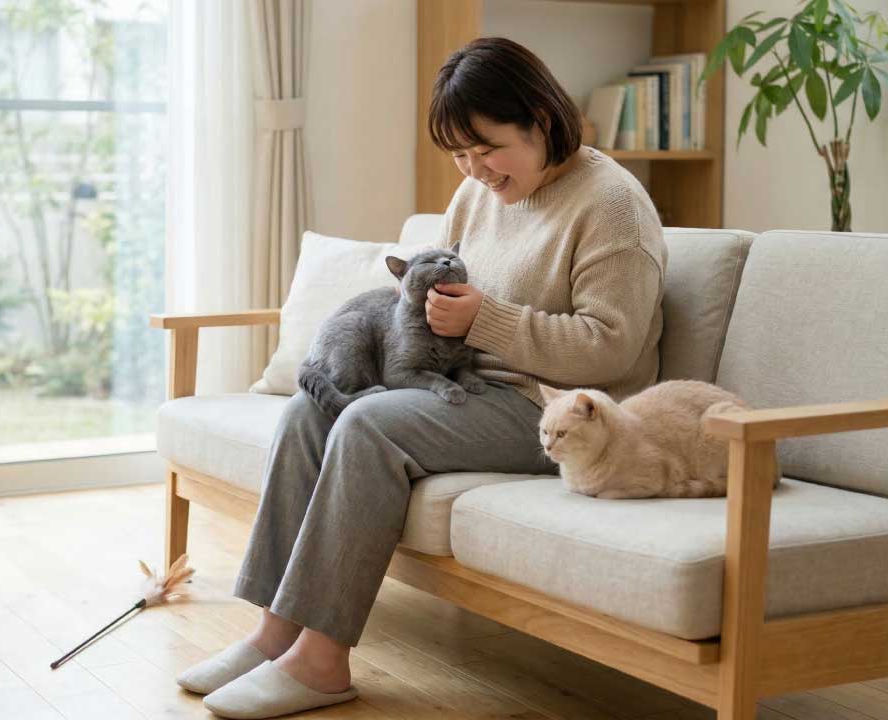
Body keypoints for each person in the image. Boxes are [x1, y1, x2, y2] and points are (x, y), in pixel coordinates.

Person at [177, 36, 668, 719]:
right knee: (306, 411)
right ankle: (272, 632)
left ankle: (321, 664)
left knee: (369, 425)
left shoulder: (612, 203)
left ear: (541, 119)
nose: (474, 169)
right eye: (460, 154)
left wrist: (485, 321)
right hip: (461, 385)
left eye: (486, 147)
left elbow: (611, 349)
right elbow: (434, 299)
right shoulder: (476, 194)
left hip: (547, 407)